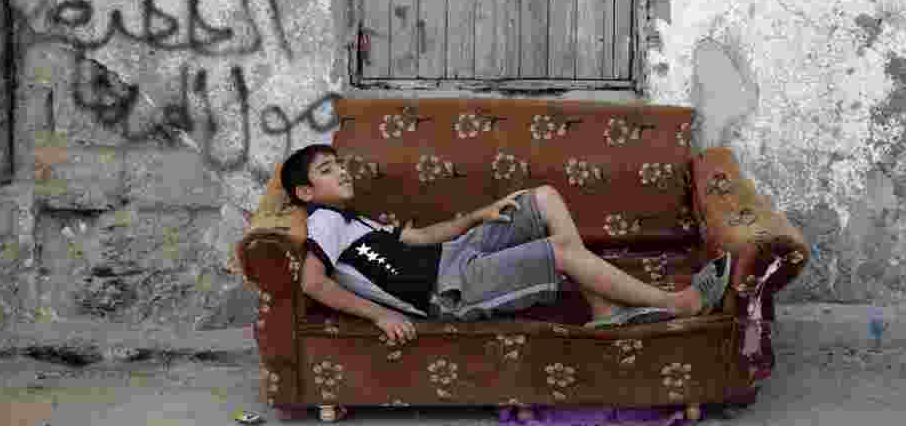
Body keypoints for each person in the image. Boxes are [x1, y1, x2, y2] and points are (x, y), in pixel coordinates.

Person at [282, 143, 732, 346]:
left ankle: (604, 310)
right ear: (304, 192)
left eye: (340, 164)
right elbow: (312, 282)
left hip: (452, 257)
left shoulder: (350, 219)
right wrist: (381, 313)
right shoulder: (322, 221)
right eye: (327, 170)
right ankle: (680, 304)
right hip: (447, 290)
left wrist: (478, 216)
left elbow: (419, 237)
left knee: (541, 199)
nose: (342, 171)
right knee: (559, 251)